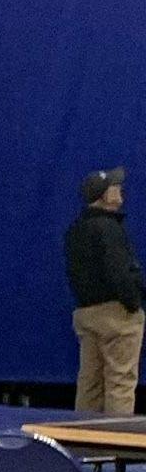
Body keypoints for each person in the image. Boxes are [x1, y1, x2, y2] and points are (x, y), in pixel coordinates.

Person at [65, 167, 143, 413]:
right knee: (120, 382)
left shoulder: (75, 230)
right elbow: (120, 272)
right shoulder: (109, 229)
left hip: (86, 315)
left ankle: (81, 442)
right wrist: (133, 303)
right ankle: (116, 444)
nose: (120, 189)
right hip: (116, 317)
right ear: (105, 196)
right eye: (114, 187)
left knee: (90, 383)